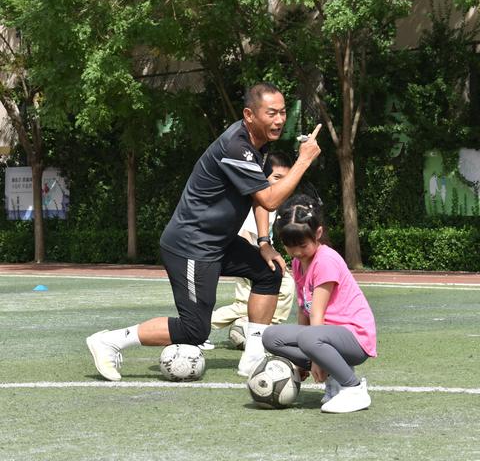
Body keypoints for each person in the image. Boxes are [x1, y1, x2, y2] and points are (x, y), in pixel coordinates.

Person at [86, 82, 321, 381]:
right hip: (191, 245)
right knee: (194, 329)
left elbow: (259, 196)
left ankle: (253, 357)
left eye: (283, 112)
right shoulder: (237, 146)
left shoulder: (257, 147)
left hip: (218, 243)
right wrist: (303, 160)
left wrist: (264, 243)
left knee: (268, 270)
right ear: (249, 114)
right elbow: (271, 199)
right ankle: (110, 342)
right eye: (271, 113)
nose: (279, 120)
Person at [262, 194, 377, 413]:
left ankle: (353, 389)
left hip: (354, 337)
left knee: (308, 336)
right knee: (270, 337)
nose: (296, 252)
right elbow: (303, 310)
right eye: (289, 246)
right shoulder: (298, 263)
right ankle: (335, 377)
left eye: (302, 245)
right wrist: (301, 360)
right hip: (324, 335)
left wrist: (315, 359)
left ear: (318, 234)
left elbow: (317, 313)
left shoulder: (326, 260)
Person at [204, 153, 296, 350]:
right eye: (277, 178)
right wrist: (252, 261)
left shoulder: (272, 203)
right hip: (246, 255)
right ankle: (199, 327)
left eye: (285, 179)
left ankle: (253, 326)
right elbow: (245, 234)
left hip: (253, 254)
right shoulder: (259, 199)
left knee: (248, 301)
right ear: (262, 178)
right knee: (281, 287)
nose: (281, 184)